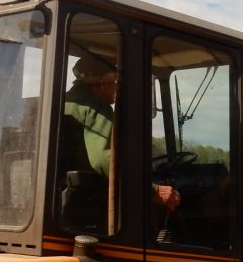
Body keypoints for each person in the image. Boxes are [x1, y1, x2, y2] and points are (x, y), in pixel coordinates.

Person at [61, 55, 180, 230]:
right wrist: (153, 190)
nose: (117, 88)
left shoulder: (63, 102)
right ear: (103, 83)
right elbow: (104, 159)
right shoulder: (96, 106)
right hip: (88, 205)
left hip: (65, 204)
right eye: (115, 82)